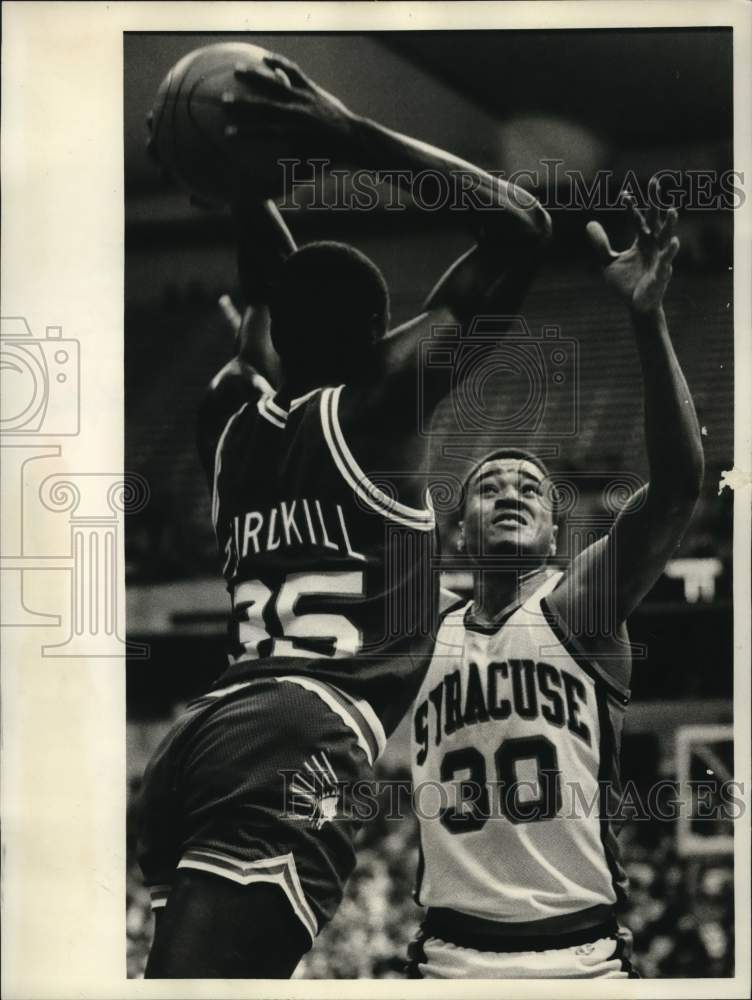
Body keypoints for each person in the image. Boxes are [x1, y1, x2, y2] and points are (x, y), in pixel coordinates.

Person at [137, 48, 551, 978]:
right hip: (298, 737)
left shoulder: (228, 417)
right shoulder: (377, 410)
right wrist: (343, 130)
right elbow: (522, 229)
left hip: (203, 736)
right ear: (379, 338)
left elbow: (269, 293)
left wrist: (247, 188)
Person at [408, 185, 704, 979]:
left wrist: (648, 319)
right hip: (448, 957)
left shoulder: (577, 606)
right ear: (459, 531)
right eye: (489, 485)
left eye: (531, 488)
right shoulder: (422, 626)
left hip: (582, 957)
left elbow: (678, 487)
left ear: (553, 534)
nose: (510, 491)